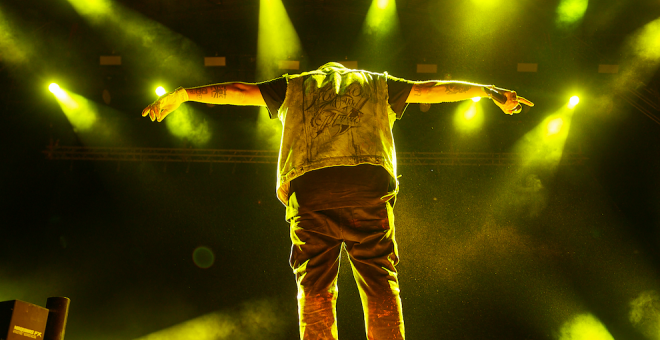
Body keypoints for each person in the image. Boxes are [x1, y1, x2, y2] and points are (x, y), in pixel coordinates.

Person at [142, 62, 534, 340]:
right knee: (380, 279)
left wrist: (186, 95)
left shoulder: (296, 84)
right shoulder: (376, 83)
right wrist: (485, 91)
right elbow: (432, 87)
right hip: (367, 184)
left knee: (314, 285)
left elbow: (241, 91)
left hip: (310, 187)